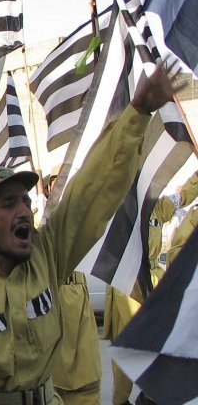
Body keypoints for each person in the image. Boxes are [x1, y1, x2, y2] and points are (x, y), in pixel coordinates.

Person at [0, 63, 177, 404]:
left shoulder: (45, 256)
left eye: (25, 201)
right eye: (8, 204)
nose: (23, 210)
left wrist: (138, 112)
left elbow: (91, 193)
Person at [104, 168, 198, 405]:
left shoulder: (158, 207)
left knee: (159, 350)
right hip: (128, 287)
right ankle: (122, 400)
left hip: (153, 287)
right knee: (131, 349)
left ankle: (150, 397)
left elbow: (184, 195)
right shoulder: (119, 211)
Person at [42, 170, 101, 405]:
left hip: (79, 299)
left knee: (86, 374)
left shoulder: (79, 219)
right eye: (56, 185)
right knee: (58, 380)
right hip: (56, 298)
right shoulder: (40, 220)